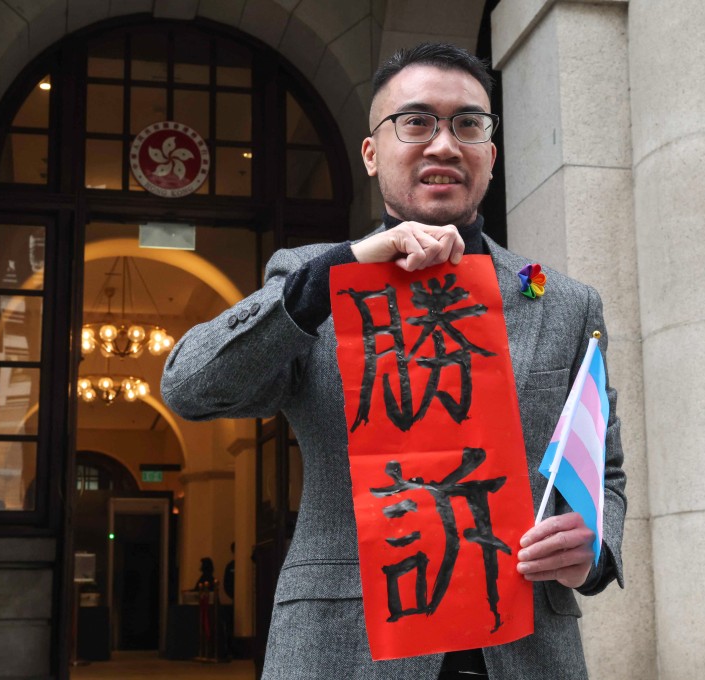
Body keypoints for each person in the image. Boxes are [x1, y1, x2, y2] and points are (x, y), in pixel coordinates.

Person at [162, 43, 626, 680]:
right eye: (416, 122)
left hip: (525, 646)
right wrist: (334, 276)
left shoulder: (562, 304)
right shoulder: (312, 284)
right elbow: (191, 386)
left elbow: (603, 474)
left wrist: (592, 549)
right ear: (372, 153)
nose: (445, 145)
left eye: (468, 124)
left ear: (491, 154)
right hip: (345, 648)